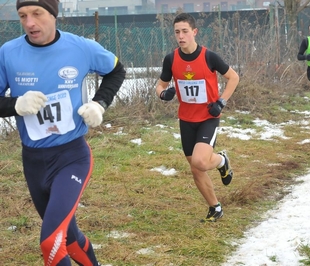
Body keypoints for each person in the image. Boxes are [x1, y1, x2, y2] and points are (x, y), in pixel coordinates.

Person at [0, 0, 126, 264]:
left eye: (37, 14)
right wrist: (16, 104)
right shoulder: (8, 53)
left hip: (71, 156)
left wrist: (99, 103)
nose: (29, 23)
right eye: (23, 15)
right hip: (33, 161)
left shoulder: (80, 47)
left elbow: (116, 70)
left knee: (51, 241)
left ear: (54, 15)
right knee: (68, 237)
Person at [155, 13, 239, 222]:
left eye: (185, 31)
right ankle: (215, 208)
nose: (181, 36)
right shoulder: (171, 59)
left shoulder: (209, 56)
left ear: (194, 32)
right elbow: (160, 85)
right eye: (177, 32)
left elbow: (233, 77)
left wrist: (221, 102)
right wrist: (163, 94)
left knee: (201, 162)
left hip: (208, 118)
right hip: (186, 120)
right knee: (196, 168)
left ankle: (221, 160)